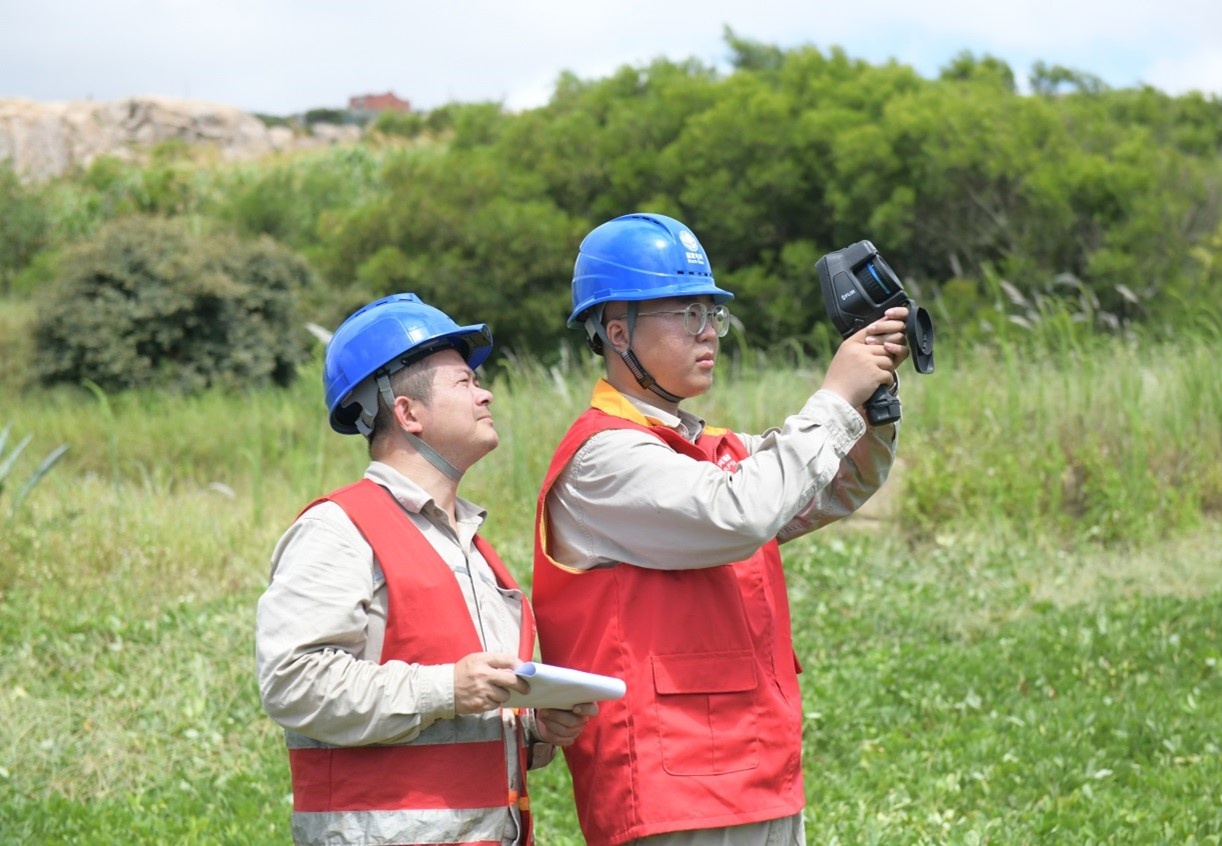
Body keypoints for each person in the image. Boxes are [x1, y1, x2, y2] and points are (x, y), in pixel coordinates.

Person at [531, 214, 910, 845]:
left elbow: (836, 483)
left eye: (713, 314)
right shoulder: (604, 458)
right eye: (685, 315)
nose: (708, 332)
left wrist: (872, 405)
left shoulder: (711, 449)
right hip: (669, 791)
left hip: (758, 771)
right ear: (616, 331)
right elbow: (740, 514)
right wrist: (834, 398)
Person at [256, 292, 596, 846]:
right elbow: (293, 683)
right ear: (408, 413)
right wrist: (447, 687)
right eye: (463, 382)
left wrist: (533, 727)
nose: (485, 392)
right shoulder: (339, 530)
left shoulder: (474, 549)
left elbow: (461, 713)